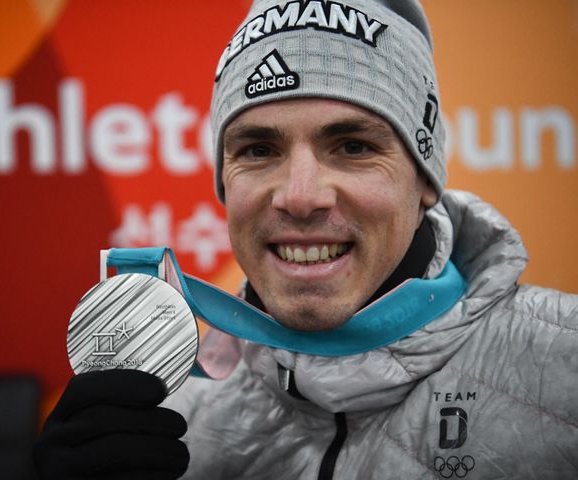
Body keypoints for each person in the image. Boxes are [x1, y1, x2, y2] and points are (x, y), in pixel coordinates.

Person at [33, 1, 578, 478]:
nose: (299, 196)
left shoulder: (566, 372)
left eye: (353, 146)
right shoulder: (171, 417)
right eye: (258, 150)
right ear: (226, 184)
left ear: (425, 183)